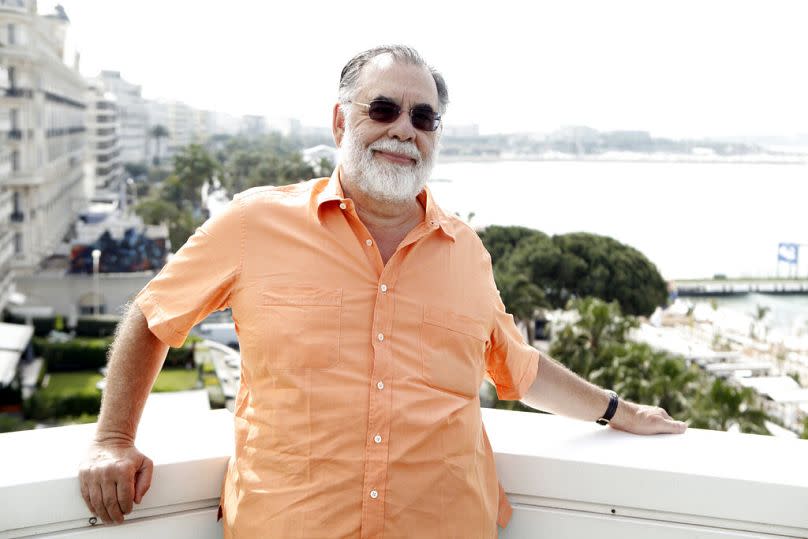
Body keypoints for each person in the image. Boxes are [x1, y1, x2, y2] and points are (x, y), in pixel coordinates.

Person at [79, 45, 686, 538]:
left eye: (423, 118)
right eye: (384, 108)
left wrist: (617, 411)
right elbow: (153, 316)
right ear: (342, 120)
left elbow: (518, 366)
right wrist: (113, 441)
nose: (404, 130)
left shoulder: (466, 251)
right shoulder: (252, 225)